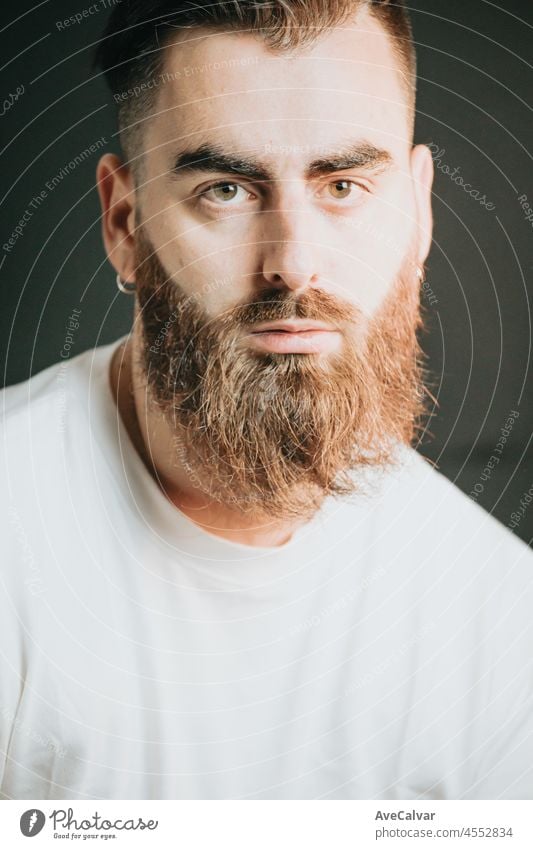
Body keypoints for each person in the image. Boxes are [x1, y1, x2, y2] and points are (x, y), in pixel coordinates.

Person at [1, 0, 532, 801]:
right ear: (123, 222)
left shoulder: (499, 622)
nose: (292, 262)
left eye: (344, 184)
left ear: (417, 213)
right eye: (224, 189)